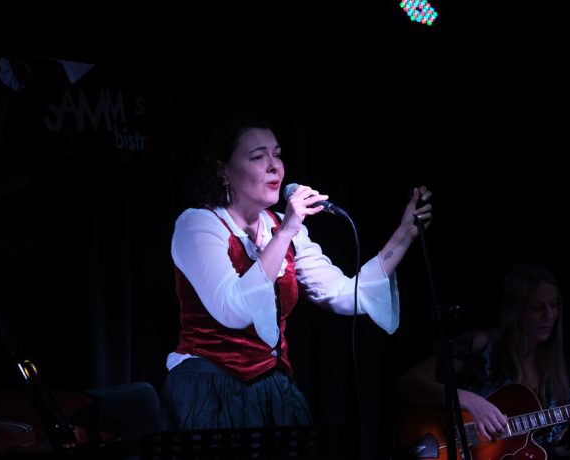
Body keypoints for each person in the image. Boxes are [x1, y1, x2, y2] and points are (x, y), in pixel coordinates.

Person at [160, 112, 433, 430]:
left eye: (276, 154)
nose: (274, 166)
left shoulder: (282, 228)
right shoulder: (199, 225)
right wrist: (287, 229)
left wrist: (404, 234)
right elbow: (234, 310)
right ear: (224, 170)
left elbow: (345, 294)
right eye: (258, 157)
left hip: (272, 390)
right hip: (210, 390)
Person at [394, 262, 570, 459]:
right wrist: (468, 400)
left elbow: (552, 444)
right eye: (536, 307)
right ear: (516, 310)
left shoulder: (564, 364)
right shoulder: (482, 345)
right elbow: (408, 382)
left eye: (554, 305)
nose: (549, 315)